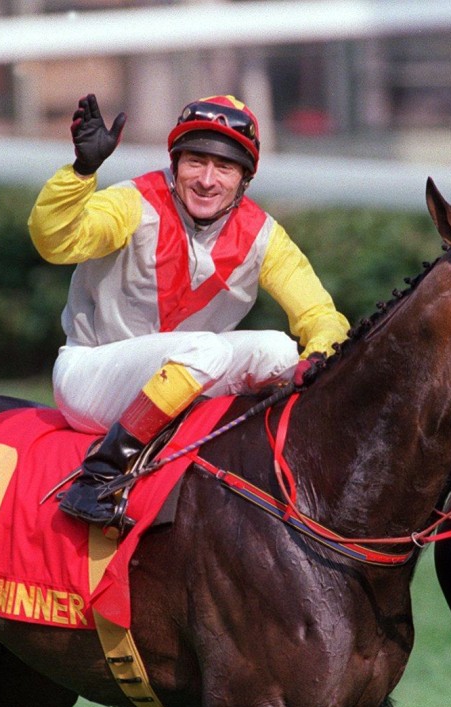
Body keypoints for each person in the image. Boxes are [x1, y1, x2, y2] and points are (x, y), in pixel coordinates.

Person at [28, 93, 350, 529]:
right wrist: (82, 172)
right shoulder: (132, 203)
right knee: (207, 351)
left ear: (244, 180)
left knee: (279, 351)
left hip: (181, 379)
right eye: (196, 161)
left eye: (225, 167)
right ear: (176, 163)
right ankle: (100, 475)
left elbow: (320, 315)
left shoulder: (264, 235)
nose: (207, 179)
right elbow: (56, 241)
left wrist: (320, 356)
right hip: (91, 377)